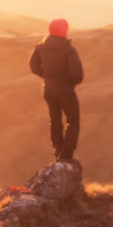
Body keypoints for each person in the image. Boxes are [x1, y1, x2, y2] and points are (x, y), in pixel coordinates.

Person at [29, 18, 84, 161]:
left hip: (48, 89)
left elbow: (33, 66)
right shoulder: (69, 50)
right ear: (64, 31)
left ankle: (57, 151)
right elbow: (78, 75)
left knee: (55, 120)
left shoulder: (40, 46)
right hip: (65, 90)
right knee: (73, 121)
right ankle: (66, 156)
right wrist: (68, 82)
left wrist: (48, 77)